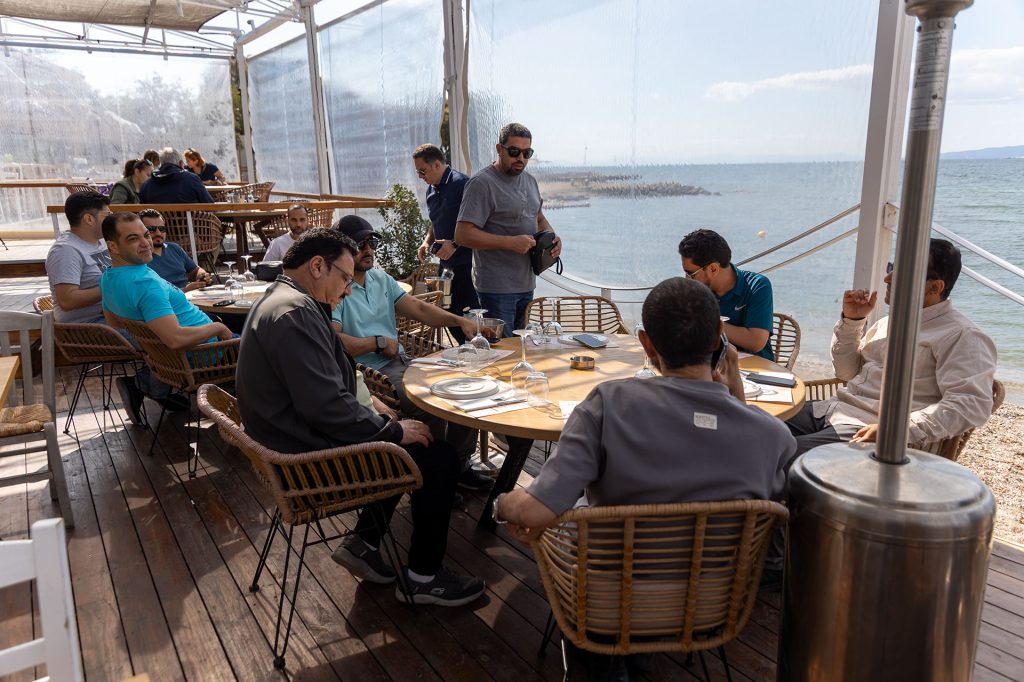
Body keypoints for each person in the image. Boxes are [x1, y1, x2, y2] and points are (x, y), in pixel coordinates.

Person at [495, 277, 796, 680]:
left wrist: (502, 504)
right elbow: (751, 452)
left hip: (609, 605)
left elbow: (533, 513)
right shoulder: (772, 436)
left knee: (575, 527)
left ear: (646, 344)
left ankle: (608, 665)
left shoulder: (610, 405)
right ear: (718, 339)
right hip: (711, 606)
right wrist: (734, 392)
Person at [235, 227, 486, 606]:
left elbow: (330, 381)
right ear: (317, 266)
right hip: (303, 460)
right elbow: (326, 409)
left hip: (286, 438)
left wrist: (377, 411)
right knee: (438, 457)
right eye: (345, 279)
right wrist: (392, 431)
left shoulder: (283, 300)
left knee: (404, 439)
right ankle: (423, 577)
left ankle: (365, 543)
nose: (349, 290)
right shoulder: (294, 315)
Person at [785, 238, 998, 456]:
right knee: (761, 427)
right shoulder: (887, 323)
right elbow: (846, 372)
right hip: (831, 410)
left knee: (777, 453)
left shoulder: (962, 335)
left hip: (870, 430)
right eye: (892, 267)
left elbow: (971, 403)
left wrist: (897, 429)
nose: (887, 278)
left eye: (902, 272)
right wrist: (852, 321)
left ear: (935, 287)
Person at [331, 215, 491, 491]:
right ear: (342, 251)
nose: (368, 250)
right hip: (372, 373)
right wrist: (377, 342)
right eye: (360, 245)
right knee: (429, 405)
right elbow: (334, 341)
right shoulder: (338, 288)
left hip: (404, 361)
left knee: (466, 387)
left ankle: (458, 465)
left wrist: (460, 321)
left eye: (371, 243)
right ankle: (433, 481)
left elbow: (418, 308)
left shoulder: (380, 279)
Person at [99, 212, 231, 425]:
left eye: (146, 235)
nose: (146, 243)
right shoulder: (145, 284)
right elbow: (175, 339)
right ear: (113, 246)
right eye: (133, 239)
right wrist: (217, 328)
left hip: (171, 358)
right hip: (207, 355)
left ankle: (145, 384)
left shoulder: (108, 277)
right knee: (267, 342)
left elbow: (113, 321)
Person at [455, 122, 562, 335]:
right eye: (514, 151)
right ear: (499, 149)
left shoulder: (530, 181)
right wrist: (510, 243)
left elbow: (538, 217)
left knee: (522, 346)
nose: (520, 158)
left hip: (526, 283)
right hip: (496, 288)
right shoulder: (482, 183)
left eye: (527, 153)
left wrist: (553, 238)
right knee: (503, 351)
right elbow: (462, 234)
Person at [413, 144, 479, 343]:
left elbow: (478, 222)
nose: (420, 176)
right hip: (446, 267)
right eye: (417, 172)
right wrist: (426, 242)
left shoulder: (463, 184)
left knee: (473, 315)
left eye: (422, 171)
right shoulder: (430, 191)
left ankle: (476, 350)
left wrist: (455, 244)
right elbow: (435, 222)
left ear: (437, 164)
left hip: (469, 264)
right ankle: (465, 348)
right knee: (447, 312)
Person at [678, 228, 775, 360]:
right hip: (708, 366)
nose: (687, 280)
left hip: (754, 368)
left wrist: (707, 321)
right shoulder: (696, 290)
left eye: (691, 274)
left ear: (713, 269)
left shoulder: (756, 285)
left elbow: (756, 342)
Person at [45, 191, 112, 323]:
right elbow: (67, 301)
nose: (111, 220)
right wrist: (113, 287)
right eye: (107, 216)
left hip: (111, 315)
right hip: (89, 325)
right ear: (89, 219)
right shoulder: (65, 250)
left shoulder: (102, 241)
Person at [139, 209, 212, 291]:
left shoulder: (174, 248)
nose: (158, 233)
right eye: (151, 229)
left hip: (191, 295)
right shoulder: (140, 258)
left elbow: (195, 270)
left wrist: (201, 275)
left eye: (162, 229)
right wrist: (186, 290)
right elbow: (151, 294)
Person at [139, 148, 215, 204]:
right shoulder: (192, 179)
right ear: (181, 163)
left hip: (158, 221)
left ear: (161, 163)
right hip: (189, 221)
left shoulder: (147, 184)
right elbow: (209, 204)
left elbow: (143, 208)